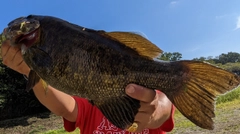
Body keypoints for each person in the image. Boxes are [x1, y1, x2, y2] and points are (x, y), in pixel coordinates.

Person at [1, 40, 175, 134]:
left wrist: (157, 110)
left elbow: (164, 105)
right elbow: (64, 108)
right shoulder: (91, 101)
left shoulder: (152, 94)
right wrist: (31, 69)